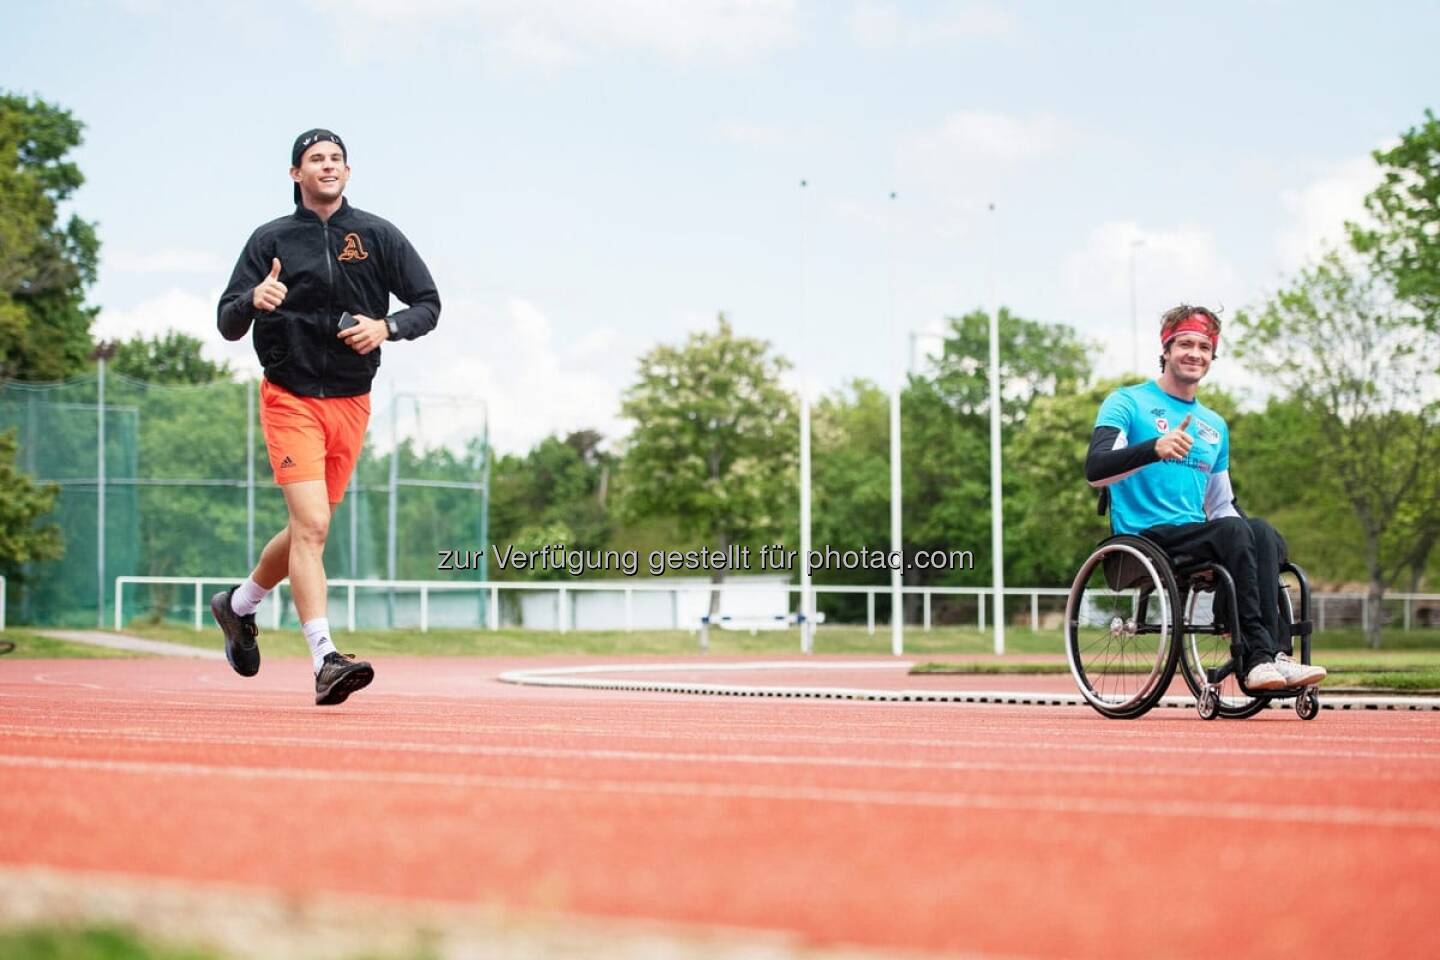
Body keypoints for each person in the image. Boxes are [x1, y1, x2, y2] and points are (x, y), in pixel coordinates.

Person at [212, 128, 440, 705]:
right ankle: (325, 658)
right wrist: (252, 301)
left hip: (351, 399)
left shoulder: (377, 235)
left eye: (336, 158)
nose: (328, 166)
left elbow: (428, 304)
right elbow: (227, 320)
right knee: (312, 527)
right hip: (289, 395)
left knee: (306, 529)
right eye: (316, 159)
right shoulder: (270, 239)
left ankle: (239, 605)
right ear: (296, 174)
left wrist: (385, 326)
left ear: (348, 170)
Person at [1084, 305, 1325, 691]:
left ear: (1212, 356)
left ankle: (1276, 654)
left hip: (1197, 531)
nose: (1194, 353)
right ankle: (1256, 659)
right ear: (1165, 349)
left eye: (1204, 346)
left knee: (1261, 532)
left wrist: (1260, 536)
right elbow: (1096, 469)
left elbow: (1221, 503)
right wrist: (1154, 448)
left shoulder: (1214, 426)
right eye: (1185, 344)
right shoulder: (1127, 402)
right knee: (1234, 534)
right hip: (1147, 535)